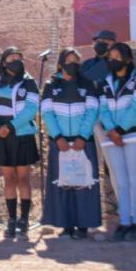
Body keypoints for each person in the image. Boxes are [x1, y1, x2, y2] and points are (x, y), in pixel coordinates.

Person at [40, 48, 101, 239]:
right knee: (63, 183)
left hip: (83, 143)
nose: (72, 65)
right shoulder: (51, 85)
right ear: (60, 64)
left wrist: (82, 137)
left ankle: (83, 225)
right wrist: (58, 137)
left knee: (83, 183)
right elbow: (47, 112)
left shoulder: (87, 84)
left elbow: (92, 111)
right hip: (60, 144)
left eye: (76, 61)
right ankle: (65, 226)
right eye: (69, 61)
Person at [0, 47, 40, 238]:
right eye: (12, 57)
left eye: (19, 57)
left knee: (23, 178)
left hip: (22, 135)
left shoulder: (29, 83)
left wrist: (12, 126)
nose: (16, 60)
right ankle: (11, 220)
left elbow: (31, 108)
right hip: (1, 135)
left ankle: (24, 220)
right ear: (4, 62)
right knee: (9, 178)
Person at [98, 42, 136, 242]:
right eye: (110, 57)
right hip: (112, 137)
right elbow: (102, 109)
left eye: (117, 57)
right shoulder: (105, 81)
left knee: (134, 179)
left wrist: (119, 130)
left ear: (127, 59)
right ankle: (124, 221)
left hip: (134, 135)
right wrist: (111, 131)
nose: (112, 60)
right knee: (119, 181)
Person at [81, 29, 119, 217]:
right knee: (90, 160)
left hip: (112, 121)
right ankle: (93, 206)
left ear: (113, 43)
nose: (100, 44)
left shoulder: (118, 66)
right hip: (88, 120)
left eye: (104, 41)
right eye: (97, 41)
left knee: (113, 163)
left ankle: (115, 204)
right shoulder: (87, 65)